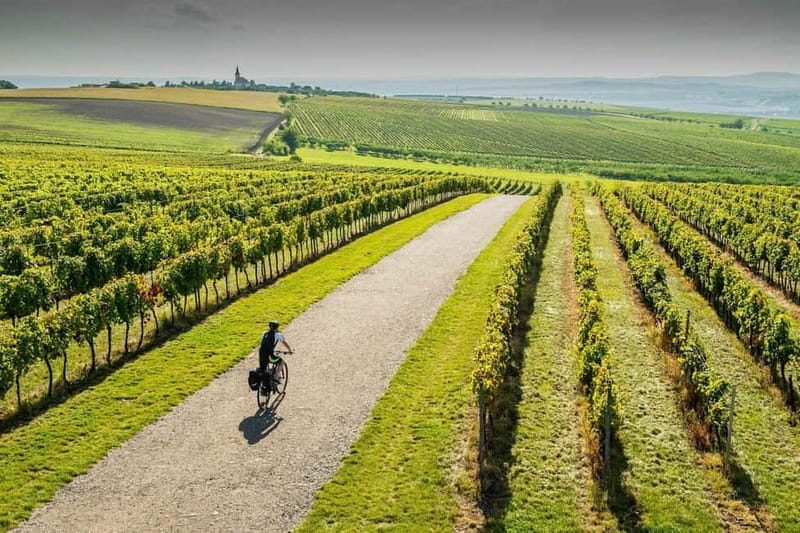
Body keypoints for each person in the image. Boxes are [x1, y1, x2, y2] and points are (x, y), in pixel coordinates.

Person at [259, 320, 293, 385]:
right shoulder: (277, 334)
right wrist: (290, 350)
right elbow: (284, 343)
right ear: (277, 327)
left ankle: (264, 386)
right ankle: (276, 376)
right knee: (281, 361)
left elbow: (263, 344)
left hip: (261, 355)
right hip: (269, 355)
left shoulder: (264, 333)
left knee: (263, 369)